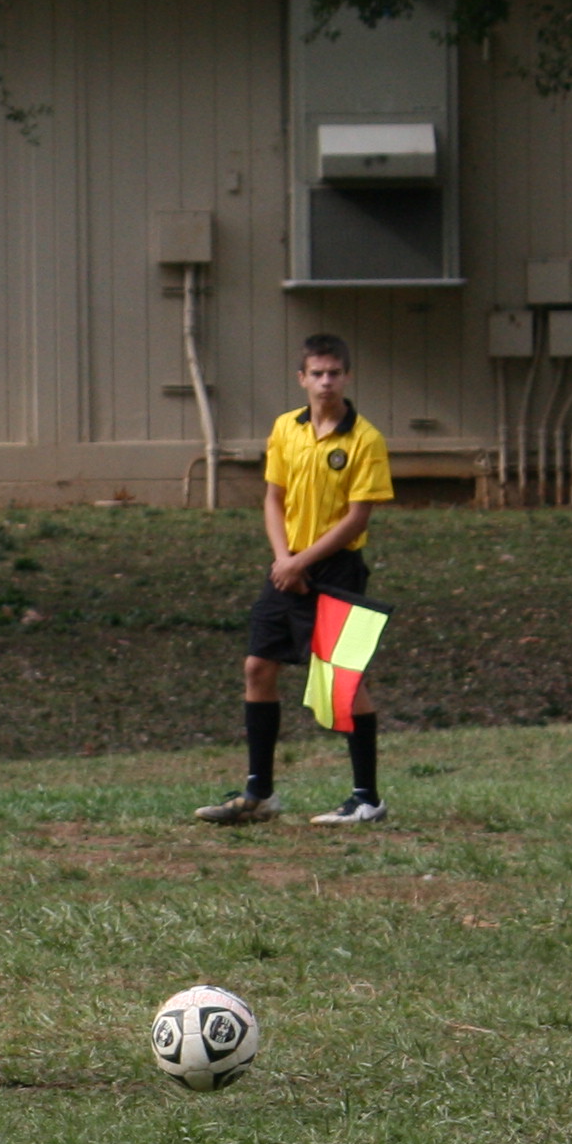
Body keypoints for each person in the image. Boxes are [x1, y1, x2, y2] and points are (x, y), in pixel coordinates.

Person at [198, 332, 395, 828]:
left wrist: (302, 561)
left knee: (343, 680)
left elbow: (357, 517)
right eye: (317, 373)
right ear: (302, 378)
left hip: (336, 568)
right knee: (257, 667)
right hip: (286, 566)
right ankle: (259, 794)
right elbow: (273, 498)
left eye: (334, 373)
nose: (326, 382)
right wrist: (284, 559)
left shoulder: (365, 439)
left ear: (347, 377)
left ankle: (367, 798)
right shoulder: (286, 427)